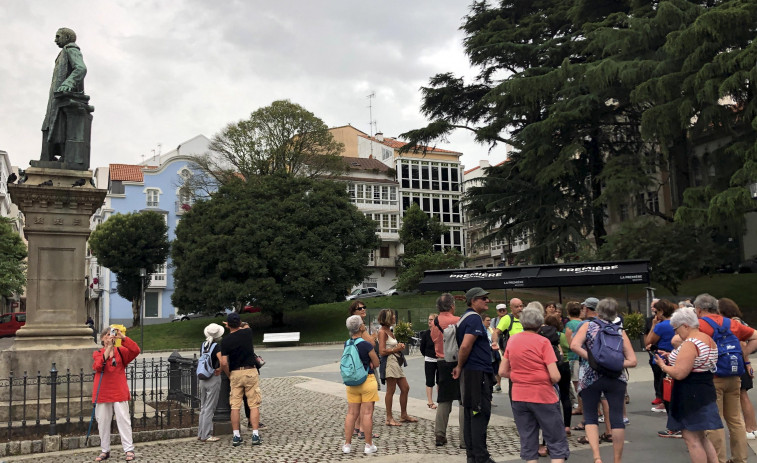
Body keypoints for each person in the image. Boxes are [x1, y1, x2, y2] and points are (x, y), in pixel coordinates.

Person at [570, 298, 637, 463]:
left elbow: (574, 346)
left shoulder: (588, 326)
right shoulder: (619, 330)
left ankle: (597, 457)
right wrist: (614, 364)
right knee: (616, 419)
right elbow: (633, 360)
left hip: (590, 376)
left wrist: (594, 360)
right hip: (616, 377)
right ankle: (617, 459)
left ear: (597, 311)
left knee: (591, 416)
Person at [501, 307, 569, 463]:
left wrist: (520, 376)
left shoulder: (512, 340)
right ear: (540, 323)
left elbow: (503, 371)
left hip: (519, 396)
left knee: (528, 440)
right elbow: (555, 375)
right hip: (542, 395)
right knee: (556, 439)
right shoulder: (543, 342)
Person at [695, 293, 757, 463]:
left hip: (713, 376)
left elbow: (680, 341)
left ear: (699, 309)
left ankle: (718, 459)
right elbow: (755, 336)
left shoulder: (700, 325)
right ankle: (739, 459)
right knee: (735, 419)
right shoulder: (732, 324)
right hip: (734, 375)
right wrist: (743, 353)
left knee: (715, 420)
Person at [654, 307, 721, 462]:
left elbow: (679, 373)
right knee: (702, 436)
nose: (676, 334)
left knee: (691, 438)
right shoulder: (707, 339)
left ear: (685, 325)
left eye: (676, 329)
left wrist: (662, 366)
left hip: (690, 393)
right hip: (704, 389)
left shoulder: (691, 343)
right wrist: (672, 356)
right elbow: (696, 362)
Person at [452, 287, 496, 463]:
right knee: (479, 413)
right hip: (478, 373)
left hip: (472, 372)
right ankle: (480, 456)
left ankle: (472, 455)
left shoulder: (464, 318)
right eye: (483, 298)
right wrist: (460, 365)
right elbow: (465, 346)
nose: (487, 301)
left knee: (471, 412)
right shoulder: (474, 319)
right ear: (473, 301)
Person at [40, 27, 91, 168]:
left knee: (60, 125)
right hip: (56, 98)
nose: (55, 40)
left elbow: (81, 68)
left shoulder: (71, 49)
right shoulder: (63, 53)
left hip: (63, 98)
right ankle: (49, 157)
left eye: (58, 36)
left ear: (67, 38)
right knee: (51, 126)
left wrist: (68, 83)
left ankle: (60, 157)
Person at [92, 327, 140, 462]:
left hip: (119, 391)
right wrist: (108, 348)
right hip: (102, 392)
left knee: (124, 420)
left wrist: (122, 338)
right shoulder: (97, 353)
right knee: (103, 422)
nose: (110, 337)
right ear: (102, 339)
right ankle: (105, 450)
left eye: (111, 334)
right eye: (107, 335)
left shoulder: (121, 352)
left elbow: (135, 350)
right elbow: (98, 366)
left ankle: (129, 449)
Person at [220, 313, 262, 447]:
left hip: (236, 372)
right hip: (250, 371)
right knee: (254, 403)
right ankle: (255, 434)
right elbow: (246, 324)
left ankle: (236, 436)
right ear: (239, 323)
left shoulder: (225, 340)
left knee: (235, 405)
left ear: (228, 325)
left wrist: (229, 374)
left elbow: (224, 362)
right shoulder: (247, 333)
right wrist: (237, 323)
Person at [718, 297, 757, 439]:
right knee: (743, 395)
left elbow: (741, 344)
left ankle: (749, 428)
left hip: (735, 362)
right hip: (740, 362)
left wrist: (745, 360)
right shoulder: (739, 320)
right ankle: (752, 427)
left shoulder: (733, 323)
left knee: (742, 395)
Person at [342, 315, 380, 455]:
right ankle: (368, 445)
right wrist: (370, 362)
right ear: (361, 327)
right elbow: (376, 363)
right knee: (367, 414)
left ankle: (347, 445)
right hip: (367, 380)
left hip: (352, 383)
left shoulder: (347, 343)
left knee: (351, 413)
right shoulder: (366, 344)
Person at [431, 293, 465, 447]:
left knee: (444, 399)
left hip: (441, 362)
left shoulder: (435, 322)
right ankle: (464, 438)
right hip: (458, 362)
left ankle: (440, 434)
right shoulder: (458, 321)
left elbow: (434, 340)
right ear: (452, 306)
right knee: (463, 400)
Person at [377, 309, 416, 426]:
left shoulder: (389, 330)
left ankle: (403, 414)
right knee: (391, 390)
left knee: (405, 388)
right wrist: (396, 349)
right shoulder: (382, 332)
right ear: (388, 318)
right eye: (393, 316)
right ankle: (389, 418)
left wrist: (398, 346)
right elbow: (382, 351)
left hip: (395, 362)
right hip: (390, 362)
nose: (394, 317)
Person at [347, 300, 379, 439]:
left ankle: (356, 428)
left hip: (357, 367)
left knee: (357, 402)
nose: (363, 310)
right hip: (365, 368)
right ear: (354, 312)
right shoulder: (360, 327)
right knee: (366, 402)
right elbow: (370, 343)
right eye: (360, 308)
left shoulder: (359, 327)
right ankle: (362, 430)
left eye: (364, 307)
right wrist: (374, 337)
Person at [645, 299, 677, 414]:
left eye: (657, 312)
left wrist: (653, 326)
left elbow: (649, 342)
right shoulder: (676, 323)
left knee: (661, 382)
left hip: (662, 356)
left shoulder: (661, 326)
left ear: (661, 312)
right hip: (675, 355)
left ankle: (664, 402)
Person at [492, 298, 525, 399]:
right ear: (511, 308)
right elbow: (496, 332)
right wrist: (494, 342)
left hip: (527, 355)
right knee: (514, 380)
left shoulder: (526, 317)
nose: (520, 308)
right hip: (513, 357)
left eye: (521, 306)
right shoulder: (507, 319)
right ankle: (515, 401)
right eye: (517, 307)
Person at [197, 323, 224, 442]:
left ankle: (200, 433)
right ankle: (206, 435)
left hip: (203, 377)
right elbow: (222, 361)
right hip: (213, 377)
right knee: (209, 408)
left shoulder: (203, 345)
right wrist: (220, 369)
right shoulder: (216, 346)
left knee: (203, 407)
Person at [564, 302, 584, 415]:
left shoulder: (569, 325)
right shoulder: (584, 323)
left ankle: (581, 407)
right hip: (583, 356)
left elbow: (568, 343)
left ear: (568, 312)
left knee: (577, 384)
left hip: (573, 356)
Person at [420, 313, 439, 410]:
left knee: (440, 380)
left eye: (431, 319)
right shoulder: (426, 334)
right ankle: (430, 401)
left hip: (439, 359)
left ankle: (440, 400)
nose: (429, 321)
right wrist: (427, 355)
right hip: (429, 359)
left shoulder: (441, 332)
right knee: (429, 380)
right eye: (429, 319)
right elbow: (422, 348)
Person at [491, 303, 507, 392]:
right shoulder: (494, 321)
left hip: (507, 343)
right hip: (498, 344)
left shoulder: (509, 319)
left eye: (503, 310)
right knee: (498, 362)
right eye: (500, 310)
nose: (502, 312)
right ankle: (498, 383)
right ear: (497, 311)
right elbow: (493, 331)